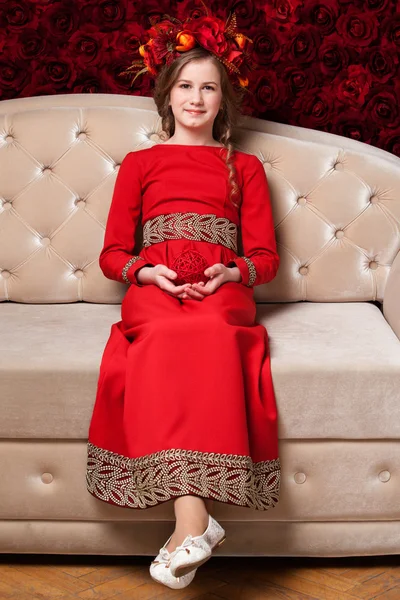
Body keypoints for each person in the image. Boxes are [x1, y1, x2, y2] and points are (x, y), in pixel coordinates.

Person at [86, 9, 281, 590]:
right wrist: (146, 275)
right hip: (157, 289)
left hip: (222, 293)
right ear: (167, 96)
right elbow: (112, 253)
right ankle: (194, 519)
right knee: (168, 334)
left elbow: (264, 260)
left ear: (224, 101)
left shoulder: (243, 167)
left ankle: (185, 530)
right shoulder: (140, 165)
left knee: (210, 333)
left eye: (209, 88)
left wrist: (229, 273)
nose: (196, 98)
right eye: (186, 86)